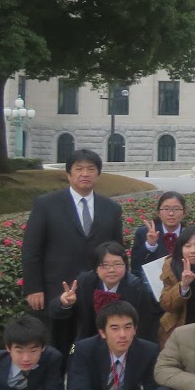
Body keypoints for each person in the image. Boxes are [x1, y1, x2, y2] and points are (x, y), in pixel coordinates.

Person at [19, 148, 124, 359]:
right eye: (79, 169)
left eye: (91, 169)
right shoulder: (47, 204)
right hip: (56, 292)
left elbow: (117, 251)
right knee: (57, 349)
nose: (85, 174)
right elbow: (31, 249)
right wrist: (34, 287)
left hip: (96, 291)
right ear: (68, 174)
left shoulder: (111, 208)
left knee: (89, 348)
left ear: (98, 174)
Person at [50, 240, 160, 344]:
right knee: (73, 353)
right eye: (105, 265)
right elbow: (55, 311)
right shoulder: (84, 282)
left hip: (125, 343)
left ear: (126, 266)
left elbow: (145, 328)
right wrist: (65, 303)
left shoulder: (137, 289)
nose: (111, 270)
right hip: (87, 342)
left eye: (117, 264)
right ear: (95, 268)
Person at [130, 191, 189, 283]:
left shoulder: (190, 235)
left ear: (184, 213)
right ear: (159, 212)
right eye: (166, 209)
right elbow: (135, 266)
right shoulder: (144, 233)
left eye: (176, 209)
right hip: (151, 285)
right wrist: (150, 245)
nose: (171, 213)